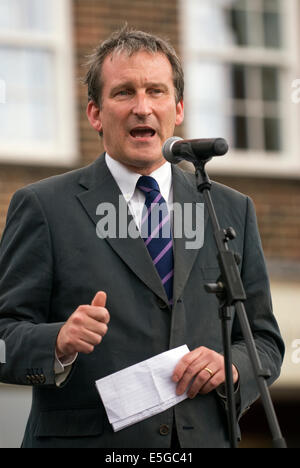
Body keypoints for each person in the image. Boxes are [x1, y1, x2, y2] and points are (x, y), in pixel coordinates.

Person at [0, 26, 284, 448]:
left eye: (156, 91)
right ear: (95, 113)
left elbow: (264, 340)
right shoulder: (44, 207)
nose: (142, 107)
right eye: (123, 93)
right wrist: (56, 342)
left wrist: (233, 364)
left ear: (179, 108)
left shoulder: (229, 208)